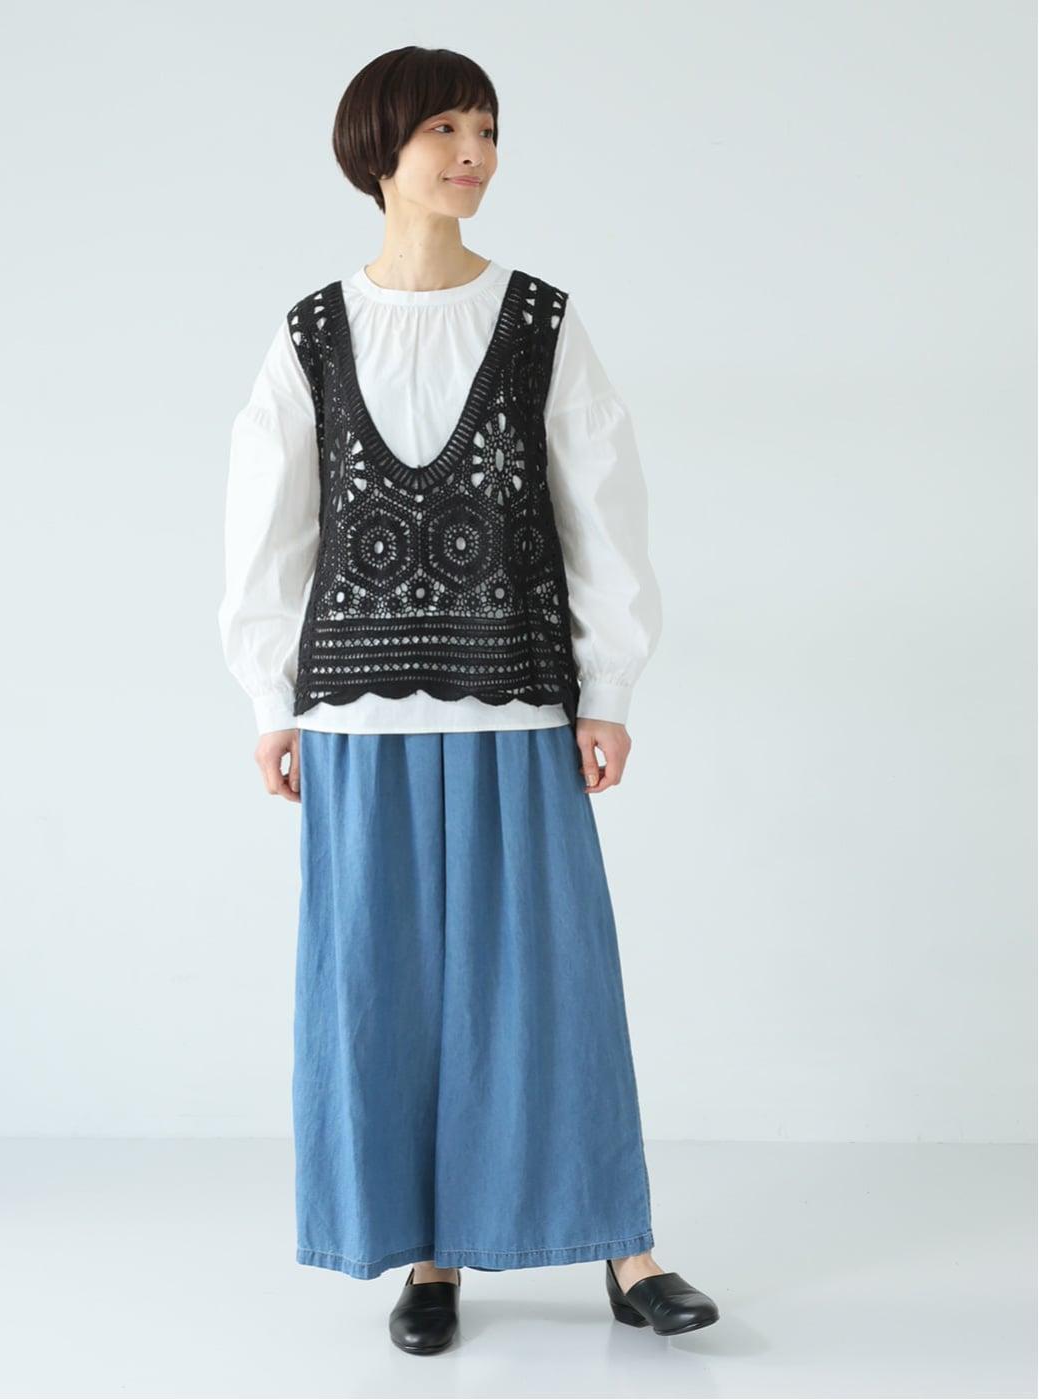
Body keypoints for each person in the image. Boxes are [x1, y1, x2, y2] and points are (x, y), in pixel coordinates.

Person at [217, 45, 719, 1355]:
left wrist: (609, 685)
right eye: (445, 127)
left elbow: (601, 509)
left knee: (554, 981)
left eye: (486, 128)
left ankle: (626, 1247)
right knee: (381, 989)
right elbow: (269, 525)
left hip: (517, 701)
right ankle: (427, 1259)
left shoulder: (541, 321)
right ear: (379, 148)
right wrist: (270, 699)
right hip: (356, 717)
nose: (473, 152)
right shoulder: (311, 333)